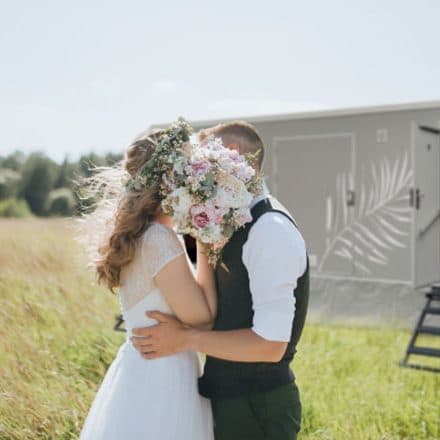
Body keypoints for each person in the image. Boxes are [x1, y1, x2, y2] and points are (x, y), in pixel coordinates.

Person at [132, 121, 310, 440]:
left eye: (201, 160)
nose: (192, 174)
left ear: (231, 155)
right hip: (231, 402)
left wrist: (185, 340)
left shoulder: (269, 230)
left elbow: (270, 345)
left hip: (259, 409)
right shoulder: (228, 225)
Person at [78, 127, 215, 439]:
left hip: (143, 369)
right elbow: (201, 316)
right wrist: (207, 239)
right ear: (171, 180)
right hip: (163, 378)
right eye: (192, 171)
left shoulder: (144, 235)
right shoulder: (158, 238)